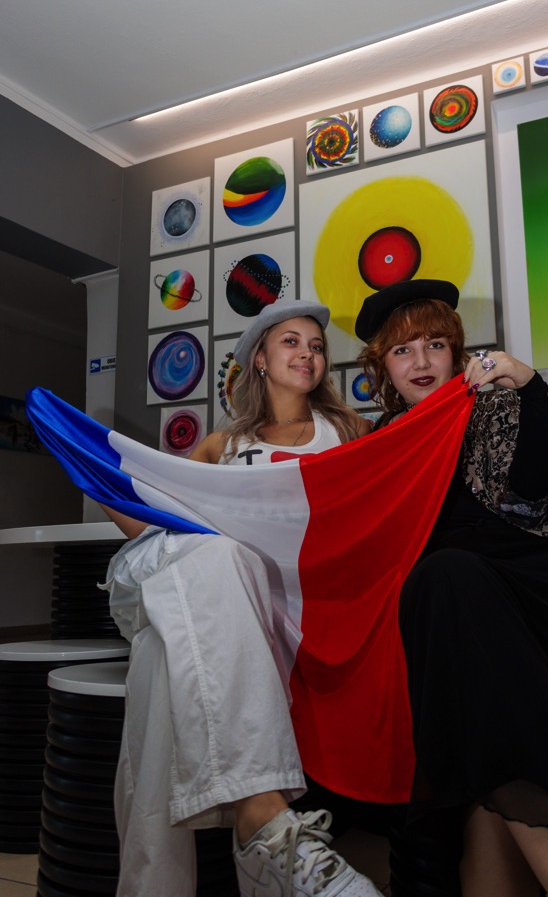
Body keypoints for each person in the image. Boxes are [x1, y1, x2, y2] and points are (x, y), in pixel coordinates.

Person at [355, 279, 548, 897]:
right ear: (383, 366)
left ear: (456, 352)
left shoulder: (491, 404)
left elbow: (529, 497)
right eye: (403, 350)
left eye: (435, 344)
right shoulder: (380, 438)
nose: (421, 361)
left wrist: (530, 389)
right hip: (465, 605)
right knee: (448, 607)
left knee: (445, 577)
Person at [101, 300, 376, 897]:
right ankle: (269, 842)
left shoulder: (350, 430)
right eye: (291, 342)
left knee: (162, 660)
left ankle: (214, 856)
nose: (308, 353)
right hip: (228, 598)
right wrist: (101, 480)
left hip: (311, 605)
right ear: (260, 359)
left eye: (316, 346)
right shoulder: (220, 446)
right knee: (209, 572)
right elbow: (159, 524)